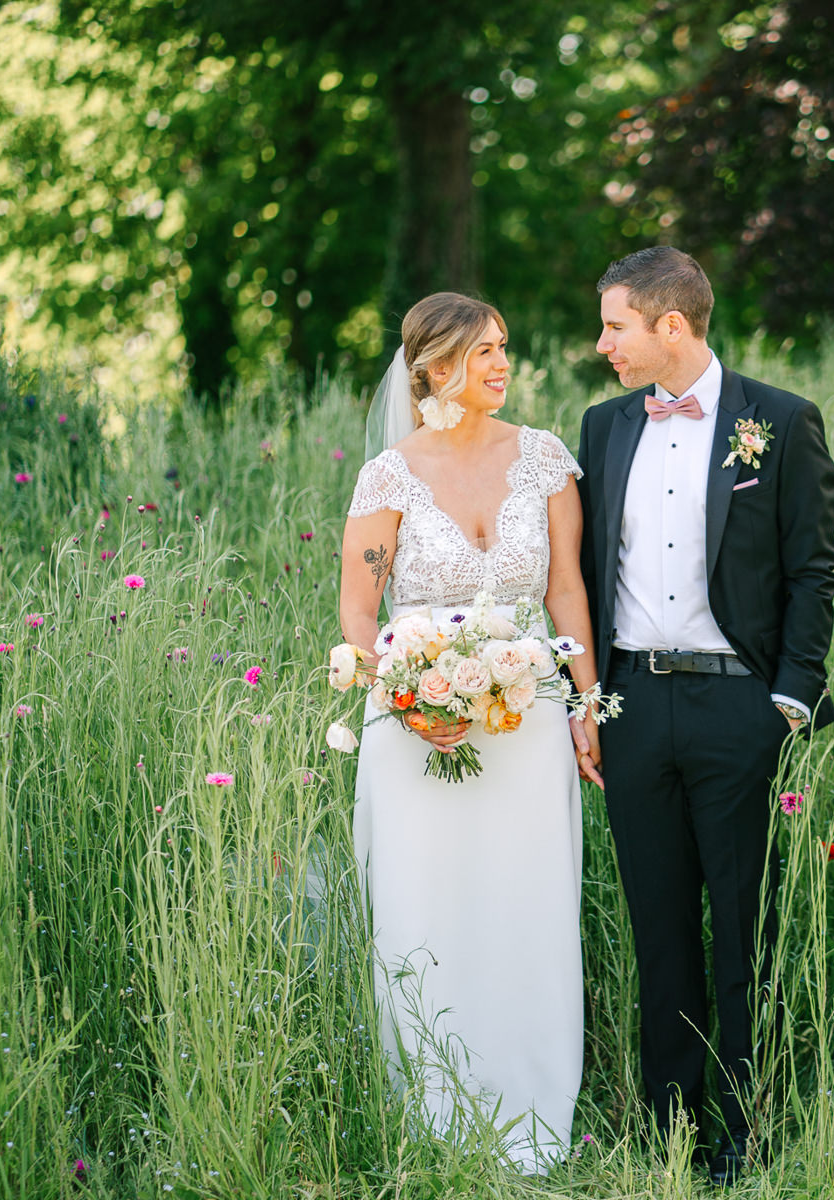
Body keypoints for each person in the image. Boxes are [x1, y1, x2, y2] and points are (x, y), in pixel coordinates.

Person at [575, 247, 834, 1184]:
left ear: (670, 327)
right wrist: (589, 700)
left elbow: (813, 570)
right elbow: (578, 571)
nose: (602, 344)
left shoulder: (780, 419)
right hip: (633, 706)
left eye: (615, 326)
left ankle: (747, 1131)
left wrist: (788, 699)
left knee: (744, 925)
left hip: (741, 706)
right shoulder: (603, 427)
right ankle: (668, 1134)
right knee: (659, 928)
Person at [338, 292, 603, 1172]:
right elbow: (358, 609)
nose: (501, 365)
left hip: (525, 716)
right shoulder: (390, 474)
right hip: (417, 731)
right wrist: (409, 695)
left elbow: (566, 590)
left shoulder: (545, 460)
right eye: (482, 352)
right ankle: (432, 1115)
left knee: (527, 905)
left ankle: (531, 1112)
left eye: (503, 347)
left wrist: (585, 705)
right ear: (434, 368)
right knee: (429, 909)